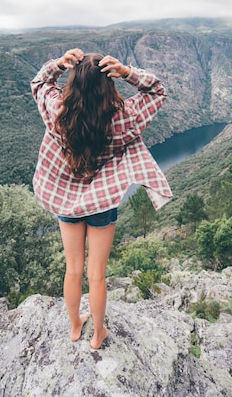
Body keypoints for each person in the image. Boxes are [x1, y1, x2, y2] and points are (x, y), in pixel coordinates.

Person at [31, 49, 173, 349]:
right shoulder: (123, 119)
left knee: (73, 269)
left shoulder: (58, 112)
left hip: (67, 203)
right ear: (109, 85)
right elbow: (157, 90)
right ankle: (97, 334)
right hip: (101, 204)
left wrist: (57, 65)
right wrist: (127, 72)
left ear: (73, 84)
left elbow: (40, 84)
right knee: (96, 275)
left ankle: (74, 326)